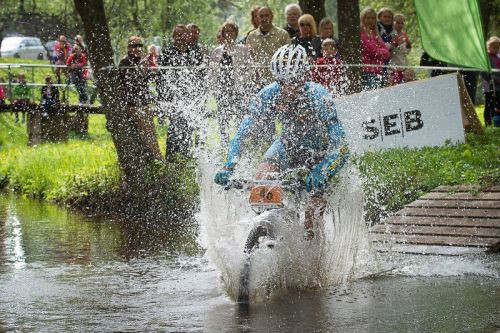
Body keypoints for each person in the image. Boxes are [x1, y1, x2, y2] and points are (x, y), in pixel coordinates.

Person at [214, 45, 349, 240]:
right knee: (262, 179)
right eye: (281, 81)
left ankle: (312, 253)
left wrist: (323, 170)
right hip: (287, 146)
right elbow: (242, 134)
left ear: (304, 76)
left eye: (292, 81)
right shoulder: (268, 93)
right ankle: (270, 227)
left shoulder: (319, 96)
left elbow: (341, 147)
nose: (287, 88)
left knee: (313, 212)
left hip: (320, 153)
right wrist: (229, 165)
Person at [158, 25, 207, 161]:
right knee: (174, 127)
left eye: (183, 34)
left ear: (188, 36)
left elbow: (201, 76)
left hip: (192, 98)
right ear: (173, 37)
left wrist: (200, 96)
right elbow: (161, 77)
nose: (180, 37)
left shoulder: (195, 53)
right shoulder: (167, 53)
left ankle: (186, 157)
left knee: (189, 127)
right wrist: (164, 99)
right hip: (173, 98)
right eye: (177, 35)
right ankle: (171, 158)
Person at [119, 36, 162, 160]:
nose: (137, 48)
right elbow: (130, 82)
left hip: (144, 103)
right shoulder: (125, 62)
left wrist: (152, 71)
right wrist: (142, 70)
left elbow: (149, 80)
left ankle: (153, 160)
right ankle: (157, 160)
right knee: (146, 134)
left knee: (150, 134)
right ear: (129, 48)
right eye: (134, 46)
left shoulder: (142, 61)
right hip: (132, 104)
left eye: (140, 46)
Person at [210, 22, 252, 147]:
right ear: (222, 34)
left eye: (231, 31)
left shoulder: (243, 49)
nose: (229, 34)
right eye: (226, 32)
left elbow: (251, 68)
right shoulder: (217, 51)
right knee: (223, 118)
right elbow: (211, 71)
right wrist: (214, 87)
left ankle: (239, 143)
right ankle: (224, 143)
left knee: (240, 116)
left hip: (238, 88)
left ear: (236, 33)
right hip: (222, 89)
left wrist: (242, 80)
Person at [360, 6, 391, 90]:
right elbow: (374, 52)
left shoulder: (375, 34)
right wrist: (383, 51)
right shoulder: (363, 35)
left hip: (379, 71)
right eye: (367, 18)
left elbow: (388, 54)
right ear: (363, 19)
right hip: (367, 72)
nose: (370, 20)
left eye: (373, 18)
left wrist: (382, 51)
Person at [481, 36, 500, 126]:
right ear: (488, 47)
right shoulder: (486, 58)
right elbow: (483, 72)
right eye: (494, 47)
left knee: (497, 104)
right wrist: (494, 79)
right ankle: (488, 122)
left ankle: (496, 122)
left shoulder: (498, 57)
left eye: (498, 47)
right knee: (489, 105)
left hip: (498, 87)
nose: (496, 49)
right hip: (489, 86)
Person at [389, 13, 411, 85]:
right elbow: (390, 49)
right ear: (393, 23)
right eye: (398, 23)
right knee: (395, 86)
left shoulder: (404, 34)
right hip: (394, 66)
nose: (400, 25)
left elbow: (407, 51)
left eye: (402, 23)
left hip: (404, 65)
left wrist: (408, 45)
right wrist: (395, 43)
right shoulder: (392, 34)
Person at [376, 7, 395, 87]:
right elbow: (379, 44)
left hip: (388, 64)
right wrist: (392, 44)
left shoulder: (393, 30)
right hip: (377, 63)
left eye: (389, 17)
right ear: (380, 17)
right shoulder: (377, 28)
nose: (387, 19)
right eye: (385, 16)